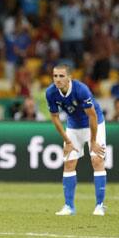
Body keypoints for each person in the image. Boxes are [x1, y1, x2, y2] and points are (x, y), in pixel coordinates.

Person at [45, 64, 107, 216]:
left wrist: (93, 142)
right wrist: (67, 141)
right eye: (55, 76)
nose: (58, 79)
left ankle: (100, 205)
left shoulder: (81, 90)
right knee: (69, 163)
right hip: (73, 126)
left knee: (97, 160)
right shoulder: (51, 92)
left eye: (61, 76)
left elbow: (92, 116)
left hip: (94, 124)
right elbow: (55, 117)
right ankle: (69, 207)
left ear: (69, 78)